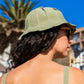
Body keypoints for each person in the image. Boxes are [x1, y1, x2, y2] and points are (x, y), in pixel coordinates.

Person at [0, 7, 84, 84]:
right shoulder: (74, 76)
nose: (71, 40)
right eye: (67, 33)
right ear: (50, 34)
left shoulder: (5, 79)